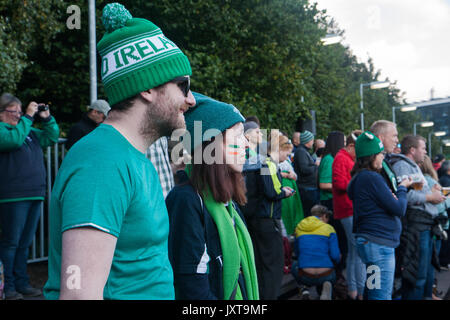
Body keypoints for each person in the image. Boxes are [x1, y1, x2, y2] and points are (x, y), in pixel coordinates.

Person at [43, 3, 196, 300]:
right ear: (148, 88)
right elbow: (78, 295)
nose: (190, 100)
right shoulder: (101, 162)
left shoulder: (135, 157)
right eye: (183, 86)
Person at [166, 92, 259, 300]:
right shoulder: (186, 200)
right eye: (238, 136)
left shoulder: (227, 203)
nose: (246, 145)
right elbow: (193, 290)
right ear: (210, 144)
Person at [0, 93, 60, 300]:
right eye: (13, 111)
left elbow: (51, 137)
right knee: (11, 243)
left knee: (25, 243)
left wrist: (46, 118)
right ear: (1, 113)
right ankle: (7, 287)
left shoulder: (28, 131)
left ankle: (22, 283)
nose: (17, 115)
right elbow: (13, 141)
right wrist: (27, 116)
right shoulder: (5, 131)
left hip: (34, 193)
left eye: (19, 111)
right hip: (12, 196)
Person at [347, 131, 411, 300]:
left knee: (373, 292)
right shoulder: (371, 178)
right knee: (380, 296)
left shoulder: (361, 177)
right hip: (378, 244)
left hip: (372, 243)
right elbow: (399, 208)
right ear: (371, 156)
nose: (383, 157)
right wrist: (403, 188)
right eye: (380, 154)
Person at [389, 135, 446, 300]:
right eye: (423, 148)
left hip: (424, 224)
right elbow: (405, 195)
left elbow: (417, 191)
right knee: (416, 276)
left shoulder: (413, 166)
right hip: (415, 226)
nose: (426, 151)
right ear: (412, 150)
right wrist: (430, 197)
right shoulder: (401, 165)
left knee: (424, 274)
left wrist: (432, 191)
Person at [240, 130, 295, 300]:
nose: (287, 157)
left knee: (260, 265)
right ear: (280, 148)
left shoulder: (255, 162)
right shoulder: (267, 163)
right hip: (267, 220)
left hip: (253, 219)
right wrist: (284, 192)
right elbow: (271, 191)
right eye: (287, 152)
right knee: (273, 266)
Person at [332, 130, 365, 300]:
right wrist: (358, 184)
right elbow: (338, 183)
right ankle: (357, 290)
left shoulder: (345, 158)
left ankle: (355, 290)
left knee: (354, 253)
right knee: (357, 252)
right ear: (351, 146)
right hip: (347, 209)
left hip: (349, 209)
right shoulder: (341, 158)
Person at [291, 205, 341, 300]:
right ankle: (326, 285)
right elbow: (335, 256)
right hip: (326, 274)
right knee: (333, 262)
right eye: (327, 217)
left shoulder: (299, 227)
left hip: (306, 275)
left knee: (294, 265)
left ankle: (304, 288)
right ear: (324, 216)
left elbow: (297, 253)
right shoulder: (329, 229)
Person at [418, 155, 449, 299]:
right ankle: (429, 294)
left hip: (423, 224)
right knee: (429, 263)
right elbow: (443, 204)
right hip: (432, 224)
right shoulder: (429, 180)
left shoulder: (420, 180)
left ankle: (429, 293)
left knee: (426, 264)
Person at [293, 130, 319, 217]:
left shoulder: (303, 151)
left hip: (308, 188)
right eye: (312, 140)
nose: (313, 142)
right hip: (307, 189)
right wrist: (315, 165)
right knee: (309, 213)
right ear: (307, 141)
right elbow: (304, 169)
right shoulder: (301, 152)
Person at [369, 120, 400, 193]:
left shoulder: (385, 161)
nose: (397, 140)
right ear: (381, 138)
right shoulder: (371, 164)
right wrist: (403, 188)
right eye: (394, 136)